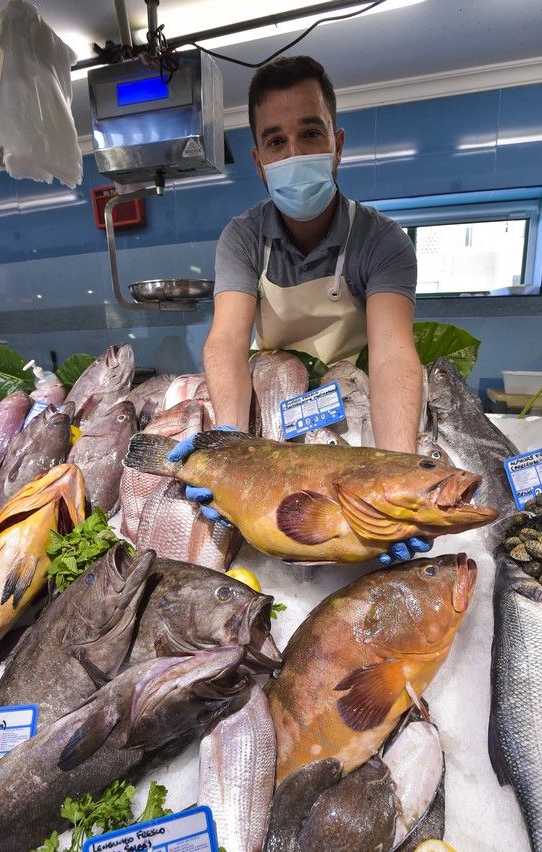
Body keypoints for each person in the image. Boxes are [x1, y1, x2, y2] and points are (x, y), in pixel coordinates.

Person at [170, 55, 430, 563]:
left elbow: (394, 355)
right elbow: (226, 339)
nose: (294, 153)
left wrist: (397, 470)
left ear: (337, 144)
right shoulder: (242, 237)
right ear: (259, 159)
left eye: (310, 134)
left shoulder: (383, 241)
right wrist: (228, 435)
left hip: (353, 410)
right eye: (276, 141)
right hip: (272, 406)